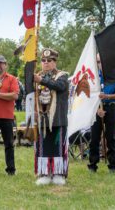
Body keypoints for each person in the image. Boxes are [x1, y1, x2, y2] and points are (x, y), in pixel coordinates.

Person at [33, 48, 69, 185]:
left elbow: (59, 86)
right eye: (43, 61)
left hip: (58, 119)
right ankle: (44, 173)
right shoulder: (37, 76)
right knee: (43, 147)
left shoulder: (62, 76)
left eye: (49, 61)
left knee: (57, 147)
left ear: (55, 62)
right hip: (42, 119)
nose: (46, 63)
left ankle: (58, 173)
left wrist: (40, 80)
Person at [88, 54, 115, 174]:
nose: (100, 64)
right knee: (94, 137)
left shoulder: (114, 76)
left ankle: (113, 164)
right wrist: (97, 108)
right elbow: (89, 94)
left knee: (111, 137)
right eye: (98, 61)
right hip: (96, 109)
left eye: (102, 61)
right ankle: (93, 164)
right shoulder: (93, 77)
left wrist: (107, 96)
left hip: (111, 108)